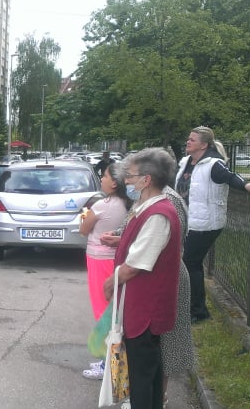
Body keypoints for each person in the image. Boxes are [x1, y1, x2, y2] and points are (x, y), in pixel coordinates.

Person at [103, 148, 182, 409]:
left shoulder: (158, 213)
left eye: (130, 176)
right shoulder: (146, 208)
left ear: (146, 180)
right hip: (140, 305)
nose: (126, 181)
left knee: (142, 375)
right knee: (147, 371)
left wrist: (110, 283)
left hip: (146, 309)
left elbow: (135, 265)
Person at [175, 126, 250, 323]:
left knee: (190, 263)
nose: (188, 142)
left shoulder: (213, 164)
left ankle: (198, 312)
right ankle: (192, 308)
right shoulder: (185, 162)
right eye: (188, 138)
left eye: (192, 140)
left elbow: (230, 177)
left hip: (206, 224)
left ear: (204, 145)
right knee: (190, 263)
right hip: (189, 221)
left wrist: (246, 185)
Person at [79, 163, 132, 380]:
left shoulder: (102, 205)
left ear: (115, 183)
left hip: (99, 260)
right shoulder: (129, 205)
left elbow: (84, 229)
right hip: (117, 259)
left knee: (104, 311)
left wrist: (84, 217)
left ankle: (108, 365)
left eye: (105, 176)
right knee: (114, 309)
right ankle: (109, 361)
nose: (101, 179)